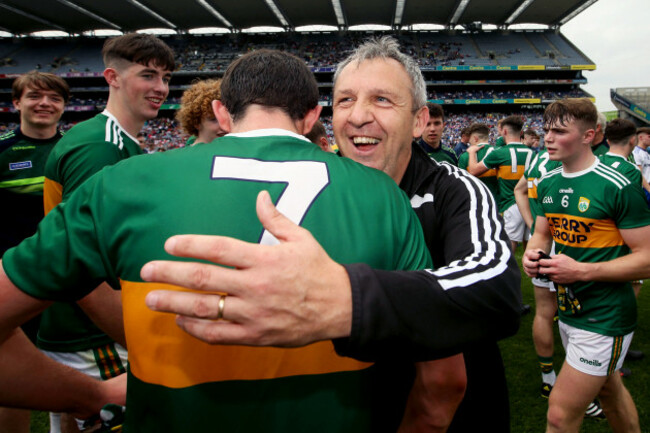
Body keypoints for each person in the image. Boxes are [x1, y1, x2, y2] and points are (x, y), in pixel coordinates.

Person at [0, 48, 438, 432]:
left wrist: (88, 396)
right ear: (311, 116)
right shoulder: (386, 196)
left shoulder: (122, 184)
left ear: (222, 113)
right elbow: (440, 374)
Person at [143, 36, 522, 433]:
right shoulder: (315, 182)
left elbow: (496, 287)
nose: (358, 116)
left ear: (419, 121)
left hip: (454, 417)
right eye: (345, 100)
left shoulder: (454, 189)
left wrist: (347, 300)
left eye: (382, 100)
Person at [40, 32, 175, 432]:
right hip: (90, 337)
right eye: (148, 75)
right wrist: (135, 335)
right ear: (112, 77)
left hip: (87, 332)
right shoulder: (101, 148)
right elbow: (78, 261)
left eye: (165, 78)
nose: (161, 88)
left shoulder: (115, 142)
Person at [523, 98, 650, 433]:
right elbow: (540, 234)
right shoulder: (548, 181)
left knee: (559, 415)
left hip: (606, 316)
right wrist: (531, 255)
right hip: (569, 311)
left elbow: (648, 258)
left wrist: (581, 271)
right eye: (547, 129)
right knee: (609, 390)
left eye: (559, 131)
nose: (547, 138)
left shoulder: (617, 184)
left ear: (589, 135)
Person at [0, 71, 69, 433]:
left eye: (54, 98)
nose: (45, 103)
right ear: (16, 103)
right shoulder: (3, 150)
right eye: (35, 96)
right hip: (15, 276)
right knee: (15, 380)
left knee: (71, 366)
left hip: (67, 276)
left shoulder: (74, 150)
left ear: (63, 106)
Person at [466, 115, 533, 252]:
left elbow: (473, 171)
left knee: (510, 243)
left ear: (504, 132)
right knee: (531, 241)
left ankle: (508, 272)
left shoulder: (499, 153)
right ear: (521, 133)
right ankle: (534, 273)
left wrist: (472, 152)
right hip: (531, 202)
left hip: (511, 204)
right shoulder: (533, 153)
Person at [457, 122, 499, 205]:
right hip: (497, 204)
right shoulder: (499, 153)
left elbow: (461, 185)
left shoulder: (465, 156)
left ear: (475, 138)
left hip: (475, 205)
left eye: (470, 139)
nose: (469, 142)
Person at [175, 78, 225, 146]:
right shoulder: (188, 155)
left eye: (225, 118)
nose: (223, 126)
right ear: (196, 123)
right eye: (214, 119)